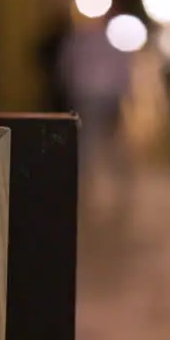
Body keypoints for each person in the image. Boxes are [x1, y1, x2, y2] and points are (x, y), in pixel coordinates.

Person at [59, 15, 133, 210]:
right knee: (102, 137)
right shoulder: (104, 41)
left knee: (90, 137)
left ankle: (88, 178)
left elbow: (66, 67)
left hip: (88, 94)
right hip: (102, 95)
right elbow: (122, 69)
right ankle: (97, 178)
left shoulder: (78, 41)